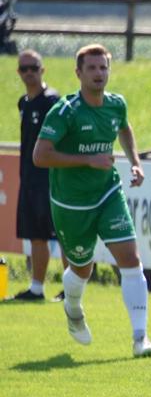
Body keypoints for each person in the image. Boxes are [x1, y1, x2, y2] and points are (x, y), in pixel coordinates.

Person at [32, 44, 151, 357]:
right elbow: (40, 156)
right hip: (72, 204)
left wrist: (135, 163)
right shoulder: (65, 111)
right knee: (82, 269)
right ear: (78, 73)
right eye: (92, 68)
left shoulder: (116, 105)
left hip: (107, 194)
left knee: (130, 257)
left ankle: (140, 338)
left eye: (103, 67)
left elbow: (124, 129)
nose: (99, 74)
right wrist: (86, 161)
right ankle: (73, 309)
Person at [14, 50, 63, 301]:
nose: (29, 73)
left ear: (43, 69)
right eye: (24, 69)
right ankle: (37, 288)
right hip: (30, 178)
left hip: (50, 178)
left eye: (34, 67)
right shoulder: (24, 102)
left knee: (63, 234)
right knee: (36, 234)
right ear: (18, 72)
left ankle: (70, 288)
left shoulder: (51, 101)